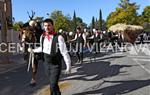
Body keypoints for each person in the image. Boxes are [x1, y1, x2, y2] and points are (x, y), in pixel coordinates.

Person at [28, 18, 71, 95]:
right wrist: (33, 50)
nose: (47, 27)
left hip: (56, 65)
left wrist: (68, 66)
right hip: (46, 64)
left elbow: (64, 53)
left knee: (53, 84)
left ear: (53, 26)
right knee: (53, 83)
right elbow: (42, 48)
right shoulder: (42, 37)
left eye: (49, 25)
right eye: (45, 26)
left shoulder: (59, 37)